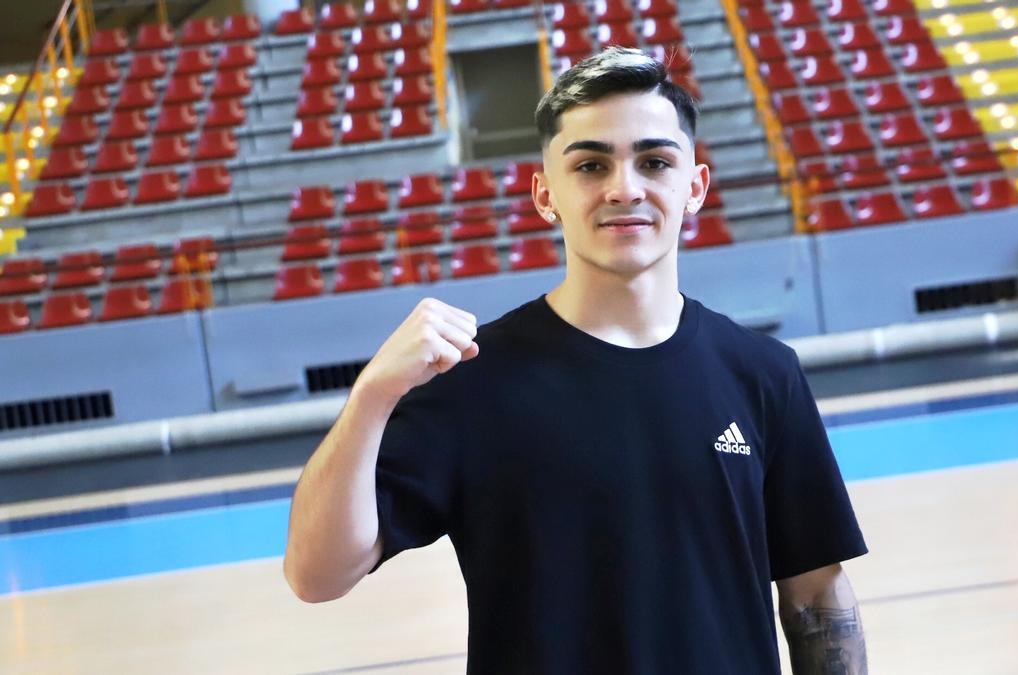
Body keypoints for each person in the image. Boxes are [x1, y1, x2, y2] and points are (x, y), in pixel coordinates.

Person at [284, 46, 868, 674]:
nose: (625, 189)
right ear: (545, 194)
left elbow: (815, 598)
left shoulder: (763, 373)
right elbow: (316, 576)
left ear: (694, 186)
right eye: (591, 165)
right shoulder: (474, 380)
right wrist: (372, 394)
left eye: (654, 161)